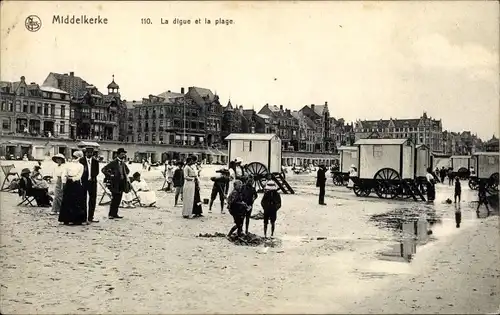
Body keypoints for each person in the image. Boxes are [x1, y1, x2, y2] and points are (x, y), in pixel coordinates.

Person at [58, 151, 87, 225]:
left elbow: (79, 176)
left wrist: (72, 179)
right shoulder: (68, 165)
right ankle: (66, 219)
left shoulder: (81, 166)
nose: (74, 158)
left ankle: (76, 220)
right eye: (74, 157)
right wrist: (64, 182)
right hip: (68, 183)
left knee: (76, 201)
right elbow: (64, 174)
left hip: (76, 184)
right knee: (67, 200)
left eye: (76, 157)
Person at [101, 148, 130, 219]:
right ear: (118, 154)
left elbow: (127, 171)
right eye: (122, 154)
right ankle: (111, 214)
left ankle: (115, 213)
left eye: (124, 154)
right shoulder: (113, 162)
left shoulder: (123, 163)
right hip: (114, 183)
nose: (123, 155)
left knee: (119, 199)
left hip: (121, 183)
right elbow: (104, 169)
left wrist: (124, 175)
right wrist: (111, 175)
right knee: (114, 199)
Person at [80, 147, 100, 223]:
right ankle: (83, 217)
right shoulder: (81, 161)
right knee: (83, 199)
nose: (90, 154)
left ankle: (91, 217)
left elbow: (97, 171)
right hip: (84, 182)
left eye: (91, 153)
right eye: (88, 153)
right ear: (85, 153)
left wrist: (92, 176)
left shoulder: (95, 161)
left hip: (93, 182)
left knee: (93, 199)